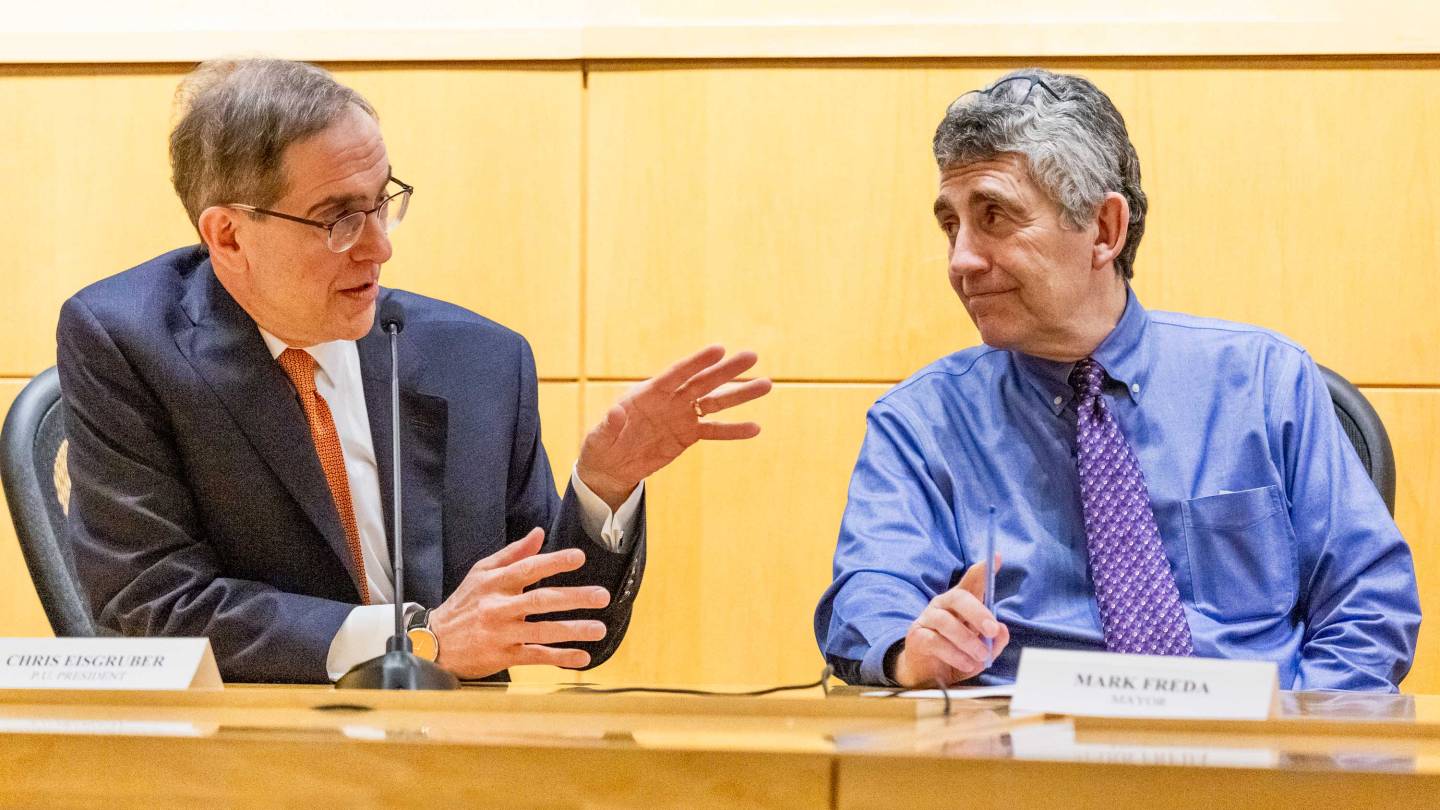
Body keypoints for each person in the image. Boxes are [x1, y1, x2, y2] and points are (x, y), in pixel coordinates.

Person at [58, 58, 772, 684]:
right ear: (229, 234)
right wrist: (415, 640)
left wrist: (602, 491)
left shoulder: (482, 361)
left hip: (452, 763)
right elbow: (153, 603)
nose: (379, 249)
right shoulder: (129, 342)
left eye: (381, 203)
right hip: (249, 757)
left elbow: (557, 632)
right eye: (338, 217)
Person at [815, 68, 1420, 692]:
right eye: (951, 225)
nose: (962, 259)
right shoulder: (922, 421)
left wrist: (1295, 752)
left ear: (1104, 230)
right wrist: (909, 655)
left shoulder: (1266, 382)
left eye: (994, 216)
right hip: (1016, 763)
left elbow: (1368, 605)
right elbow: (869, 597)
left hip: (1252, 757)